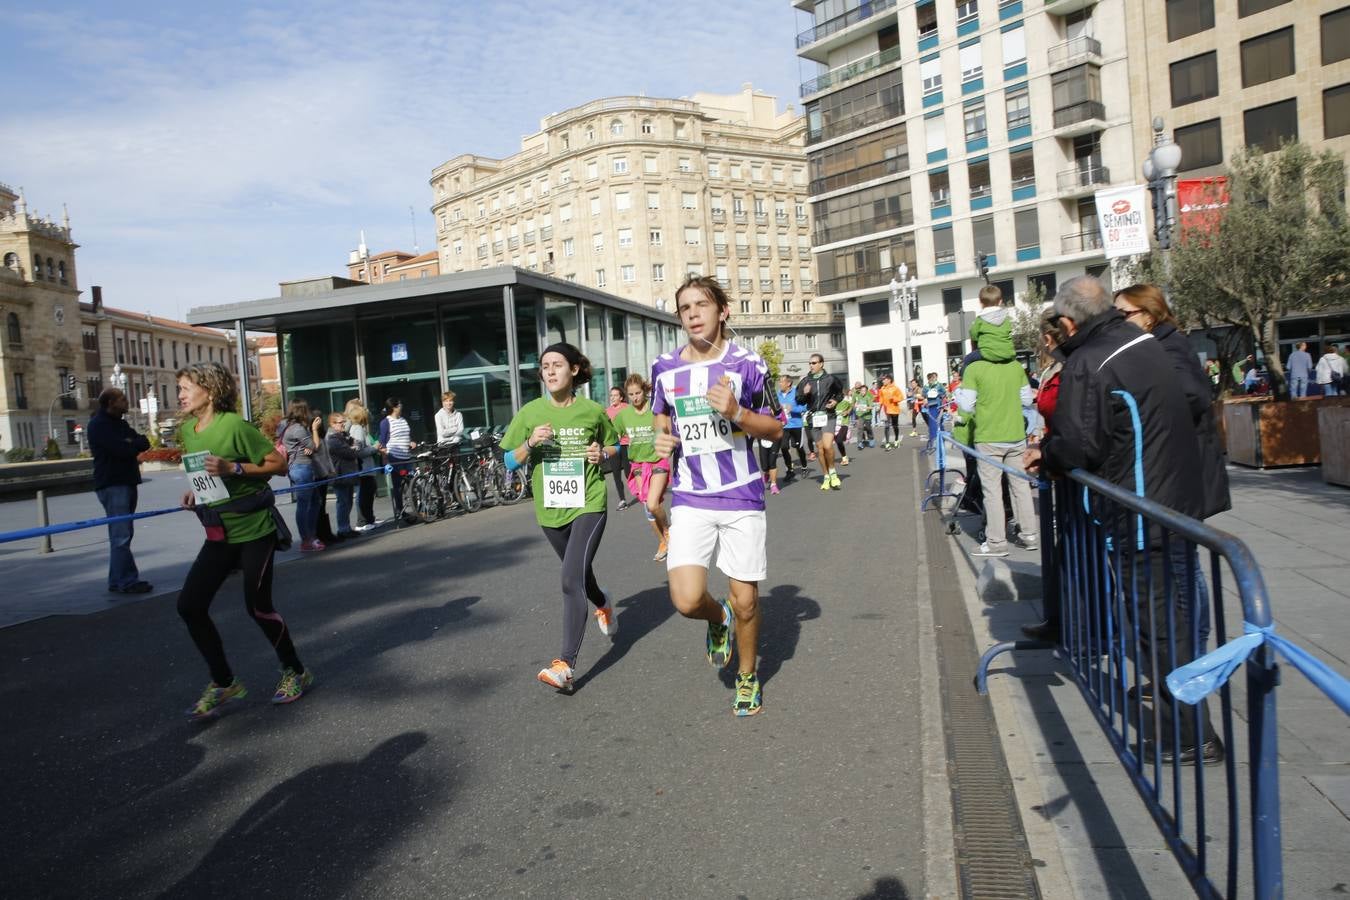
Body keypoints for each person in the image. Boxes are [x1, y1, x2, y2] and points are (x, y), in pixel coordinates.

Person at [1024, 276, 1218, 765]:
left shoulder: (1091, 361)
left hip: (1139, 508)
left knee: (1157, 627)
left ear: (1069, 322)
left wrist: (1046, 451)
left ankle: (1189, 736)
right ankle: (1190, 729)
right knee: (1167, 620)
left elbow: (1079, 445)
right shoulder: (1142, 342)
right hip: (1169, 497)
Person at [652, 275, 782, 717]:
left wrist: (737, 412)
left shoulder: (749, 364)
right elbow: (661, 421)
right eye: (684, 307)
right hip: (691, 495)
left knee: (747, 601)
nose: (692, 313)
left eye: (701, 305)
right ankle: (717, 618)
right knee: (687, 600)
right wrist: (662, 442)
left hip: (741, 495)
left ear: (722, 311)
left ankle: (747, 676)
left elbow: (776, 427)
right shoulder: (665, 367)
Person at [175, 361, 313, 720]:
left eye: (187, 386)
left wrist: (234, 468)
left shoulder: (234, 426)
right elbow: (205, 474)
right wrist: (195, 492)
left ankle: (295, 671)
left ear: (210, 389)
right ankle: (224, 682)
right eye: (180, 387)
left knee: (258, 607)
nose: (181, 393)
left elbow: (278, 465)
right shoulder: (189, 430)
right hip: (219, 534)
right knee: (189, 605)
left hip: (254, 531)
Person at [502, 343, 619, 691]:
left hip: (589, 504)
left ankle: (565, 665)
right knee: (580, 574)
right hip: (550, 511)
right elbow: (510, 461)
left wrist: (602, 453)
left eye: (557, 365)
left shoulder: (593, 411)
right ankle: (603, 602)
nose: (550, 371)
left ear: (574, 370)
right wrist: (530, 445)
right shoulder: (530, 413)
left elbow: (614, 447)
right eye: (545, 366)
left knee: (570, 579)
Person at [953, 343, 1038, 558]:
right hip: (1015, 433)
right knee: (1020, 486)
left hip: (989, 435)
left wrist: (960, 393)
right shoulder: (1015, 366)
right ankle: (1029, 535)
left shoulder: (974, 367)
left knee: (992, 491)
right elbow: (1028, 400)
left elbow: (967, 406)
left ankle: (996, 541)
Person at [88, 388, 153, 594]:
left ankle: (116, 580)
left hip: (126, 482)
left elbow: (144, 442)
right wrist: (131, 444)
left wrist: (131, 443)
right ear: (110, 403)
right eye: (122, 399)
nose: (126, 402)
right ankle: (127, 580)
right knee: (121, 535)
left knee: (121, 533)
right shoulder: (99, 425)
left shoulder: (121, 423)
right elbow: (121, 450)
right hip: (113, 484)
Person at [614, 373, 671, 560]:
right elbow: (611, 436)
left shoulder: (654, 411)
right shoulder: (623, 416)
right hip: (637, 463)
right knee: (647, 506)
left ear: (644, 392)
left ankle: (668, 531)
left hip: (657, 460)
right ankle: (663, 540)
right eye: (631, 395)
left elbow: (667, 430)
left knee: (654, 503)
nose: (635, 397)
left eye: (638, 393)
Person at [280, 401, 324, 551]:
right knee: (305, 504)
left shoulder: (286, 426)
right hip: (301, 468)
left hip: (298, 467)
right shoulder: (298, 429)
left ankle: (310, 537)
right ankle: (307, 539)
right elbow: (315, 446)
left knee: (314, 501)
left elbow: (306, 447)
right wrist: (314, 430)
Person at [796, 353, 844, 490]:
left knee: (828, 446)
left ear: (821, 364)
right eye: (810, 363)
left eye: (814, 363)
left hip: (828, 415)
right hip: (813, 418)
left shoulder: (831, 379)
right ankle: (826, 476)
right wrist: (804, 394)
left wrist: (835, 401)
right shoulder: (805, 381)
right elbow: (799, 400)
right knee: (821, 450)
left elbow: (840, 393)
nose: (811, 365)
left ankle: (833, 472)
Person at [325, 410, 366, 539]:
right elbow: (350, 453)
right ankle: (343, 529)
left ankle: (346, 527)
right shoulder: (332, 439)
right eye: (341, 422)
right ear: (332, 424)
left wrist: (353, 447)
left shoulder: (343, 436)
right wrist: (352, 448)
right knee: (343, 502)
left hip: (348, 474)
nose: (344, 424)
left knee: (348, 501)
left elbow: (358, 444)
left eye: (344, 421)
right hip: (340, 475)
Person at [344, 399, 383, 531]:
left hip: (366, 468)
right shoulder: (358, 429)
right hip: (364, 468)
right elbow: (359, 451)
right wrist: (374, 448)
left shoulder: (359, 429)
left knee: (369, 493)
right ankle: (363, 521)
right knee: (365, 495)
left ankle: (369, 518)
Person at [378, 397, 417, 522]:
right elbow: (383, 441)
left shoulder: (403, 420)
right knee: (398, 485)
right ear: (394, 407)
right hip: (394, 457)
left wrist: (410, 442)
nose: (401, 406)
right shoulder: (386, 422)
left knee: (412, 482)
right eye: (400, 404)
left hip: (407, 456)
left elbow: (406, 435)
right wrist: (385, 458)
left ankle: (416, 507)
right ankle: (400, 510)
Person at [961, 284, 1015, 372]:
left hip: (987, 353)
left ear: (981, 303)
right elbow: (1009, 333)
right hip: (1008, 353)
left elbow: (973, 334)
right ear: (1000, 301)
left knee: (967, 359)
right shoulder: (1006, 319)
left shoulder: (980, 319)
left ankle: (964, 381)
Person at [604, 386, 634, 509]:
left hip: (626, 443)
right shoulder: (607, 411)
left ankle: (641, 491)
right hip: (613, 446)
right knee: (616, 473)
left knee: (628, 472)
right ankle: (622, 500)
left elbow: (632, 423)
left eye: (615, 395)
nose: (613, 398)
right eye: (611, 395)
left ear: (621, 397)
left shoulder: (627, 408)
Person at [776, 374, 808, 478]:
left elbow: (804, 407)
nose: (780, 384)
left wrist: (792, 409)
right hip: (783, 426)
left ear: (788, 383)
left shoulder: (796, 392)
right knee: (784, 448)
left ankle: (804, 467)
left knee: (799, 447)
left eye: (782, 382)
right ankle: (790, 470)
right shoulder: (778, 394)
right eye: (779, 382)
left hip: (796, 424)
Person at [921, 372, 947, 452]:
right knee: (932, 424)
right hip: (930, 407)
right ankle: (933, 441)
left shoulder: (939, 385)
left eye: (933, 378)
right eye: (930, 378)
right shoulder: (926, 386)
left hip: (938, 406)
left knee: (939, 423)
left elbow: (944, 393)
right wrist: (926, 396)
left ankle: (941, 440)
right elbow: (923, 394)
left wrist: (938, 393)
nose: (932, 379)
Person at [877, 374, 904, 449]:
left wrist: (894, 398)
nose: (883, 381)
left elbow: (901, 397)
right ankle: (887, 442)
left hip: (894, 409)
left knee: (895, 426)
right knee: (886, 426)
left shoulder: (895, 388)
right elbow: (881, 398)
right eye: (882, 380)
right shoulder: (882, 389)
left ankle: (896, 440)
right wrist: (879, 407)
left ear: (889, 380)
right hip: (885, 409)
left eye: (884, 380)